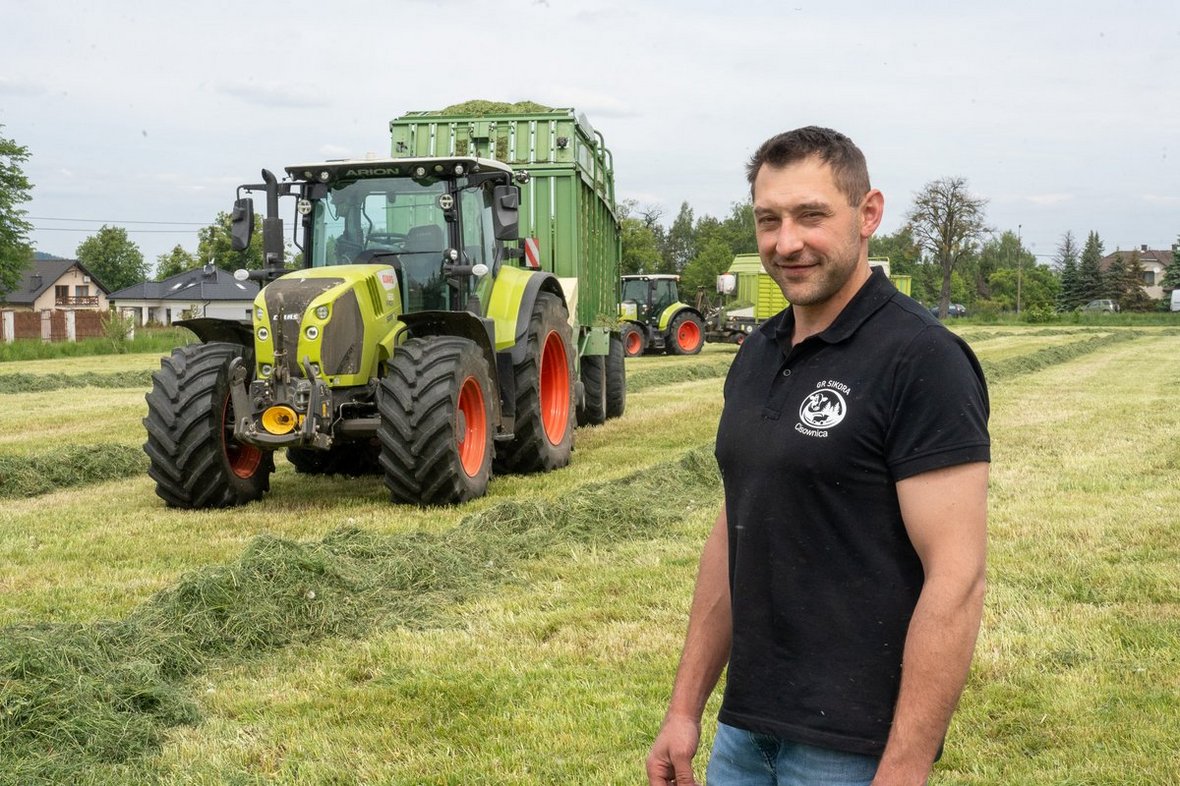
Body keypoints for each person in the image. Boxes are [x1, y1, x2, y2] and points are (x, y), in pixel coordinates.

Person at [645, 127, 990, 786]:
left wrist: (905, 765)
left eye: (811, 216)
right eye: (768, 220)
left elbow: (958, 578)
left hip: (852, 749)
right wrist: (685, 708)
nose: (786, 242)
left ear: (868, 214)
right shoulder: (755, 354)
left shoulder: (922, 360)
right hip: (744, 731)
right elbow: (736, 529)